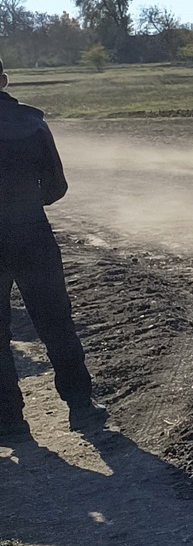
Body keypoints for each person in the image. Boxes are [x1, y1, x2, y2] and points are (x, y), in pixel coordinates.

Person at [0, 57, 105, 436]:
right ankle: (80, 405)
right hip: (32, 232)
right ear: (4, 80)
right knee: (56, 322)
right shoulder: (34, 123)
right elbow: (57, 187)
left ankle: (9, 420)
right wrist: (27, 203)